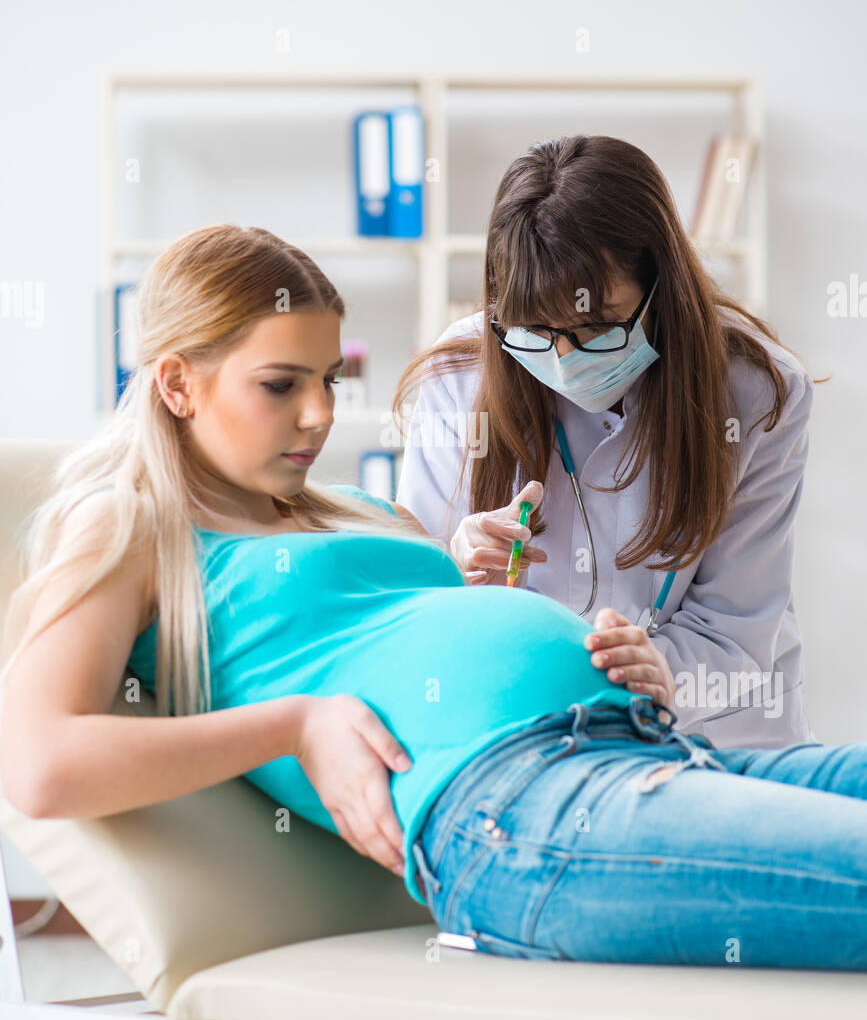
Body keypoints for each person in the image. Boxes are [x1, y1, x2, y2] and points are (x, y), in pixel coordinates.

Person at [2, 225, 865, 970]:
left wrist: (603, 654)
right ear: (177, 384)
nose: (319, 415)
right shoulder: (129, 523)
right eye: (280, 384)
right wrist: (295, 724)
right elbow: (37, 763)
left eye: (329, 379)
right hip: (522, 811)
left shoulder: (353, 509)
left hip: (649, 750)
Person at [393, 134, 824, 751]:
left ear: (661, 287)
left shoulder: (757, 390)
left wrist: (652, 674)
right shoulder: (461, 374)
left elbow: (736, 629)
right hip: (526, 726)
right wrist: (454, 564)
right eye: (535, 327)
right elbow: (412, 604)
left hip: (716, 732)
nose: (564, 356)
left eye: (597, 324)